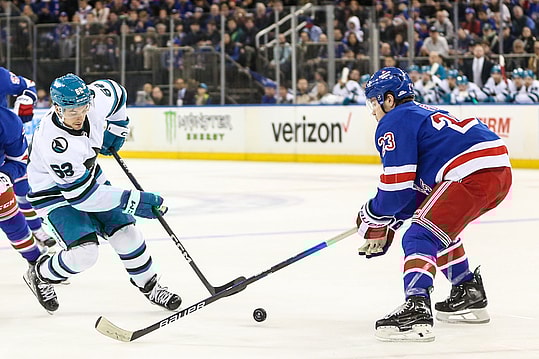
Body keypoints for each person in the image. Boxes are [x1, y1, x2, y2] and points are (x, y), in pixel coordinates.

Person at [358, 67, 512, 342]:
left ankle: (416, 308)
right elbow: (411, 198)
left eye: (374, 102)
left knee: (419, 235)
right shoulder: (419, 113)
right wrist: (389, 223)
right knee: (435, 227)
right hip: (494, 169)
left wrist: (370, 216)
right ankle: (468, 292)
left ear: (389, 99)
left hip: (470, 171)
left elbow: (395, 193)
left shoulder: (394, 121)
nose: (373, 111)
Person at [25, 73, 182, 313]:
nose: (79, 117)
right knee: (86, 253)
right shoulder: (54, 143)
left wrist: (118, 128)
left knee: (127, 233)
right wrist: (136, 200)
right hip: (54, 195)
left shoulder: (95, 100)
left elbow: (117, 91)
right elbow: (82, 197)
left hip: (87, 179)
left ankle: (150, 287)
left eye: (83, 108)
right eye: (72, 112)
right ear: (57, 108)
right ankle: (41, 274)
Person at [0, 67, 57, 249]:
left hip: (6, 139)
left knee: (23, 189)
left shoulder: (1, 76)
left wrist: (27, 99)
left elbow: (28, 85)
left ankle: (36, 230)